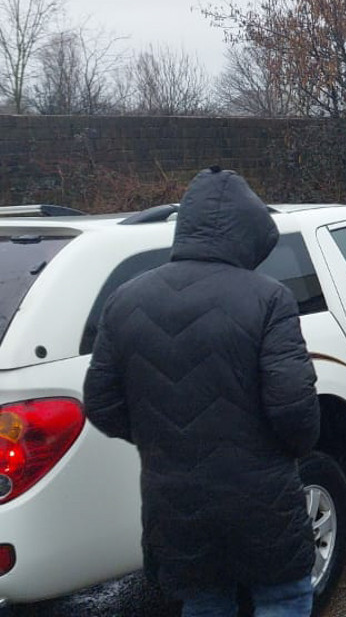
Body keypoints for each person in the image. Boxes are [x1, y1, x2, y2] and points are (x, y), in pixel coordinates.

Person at [83, 167, 320, 617]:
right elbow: (296, 414)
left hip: (173, 502)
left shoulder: (125, 299)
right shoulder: (270, 298)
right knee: (284, 597)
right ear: (252, 232)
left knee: (205, 601)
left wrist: (162, 438)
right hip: (261, 499)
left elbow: (101, 403)